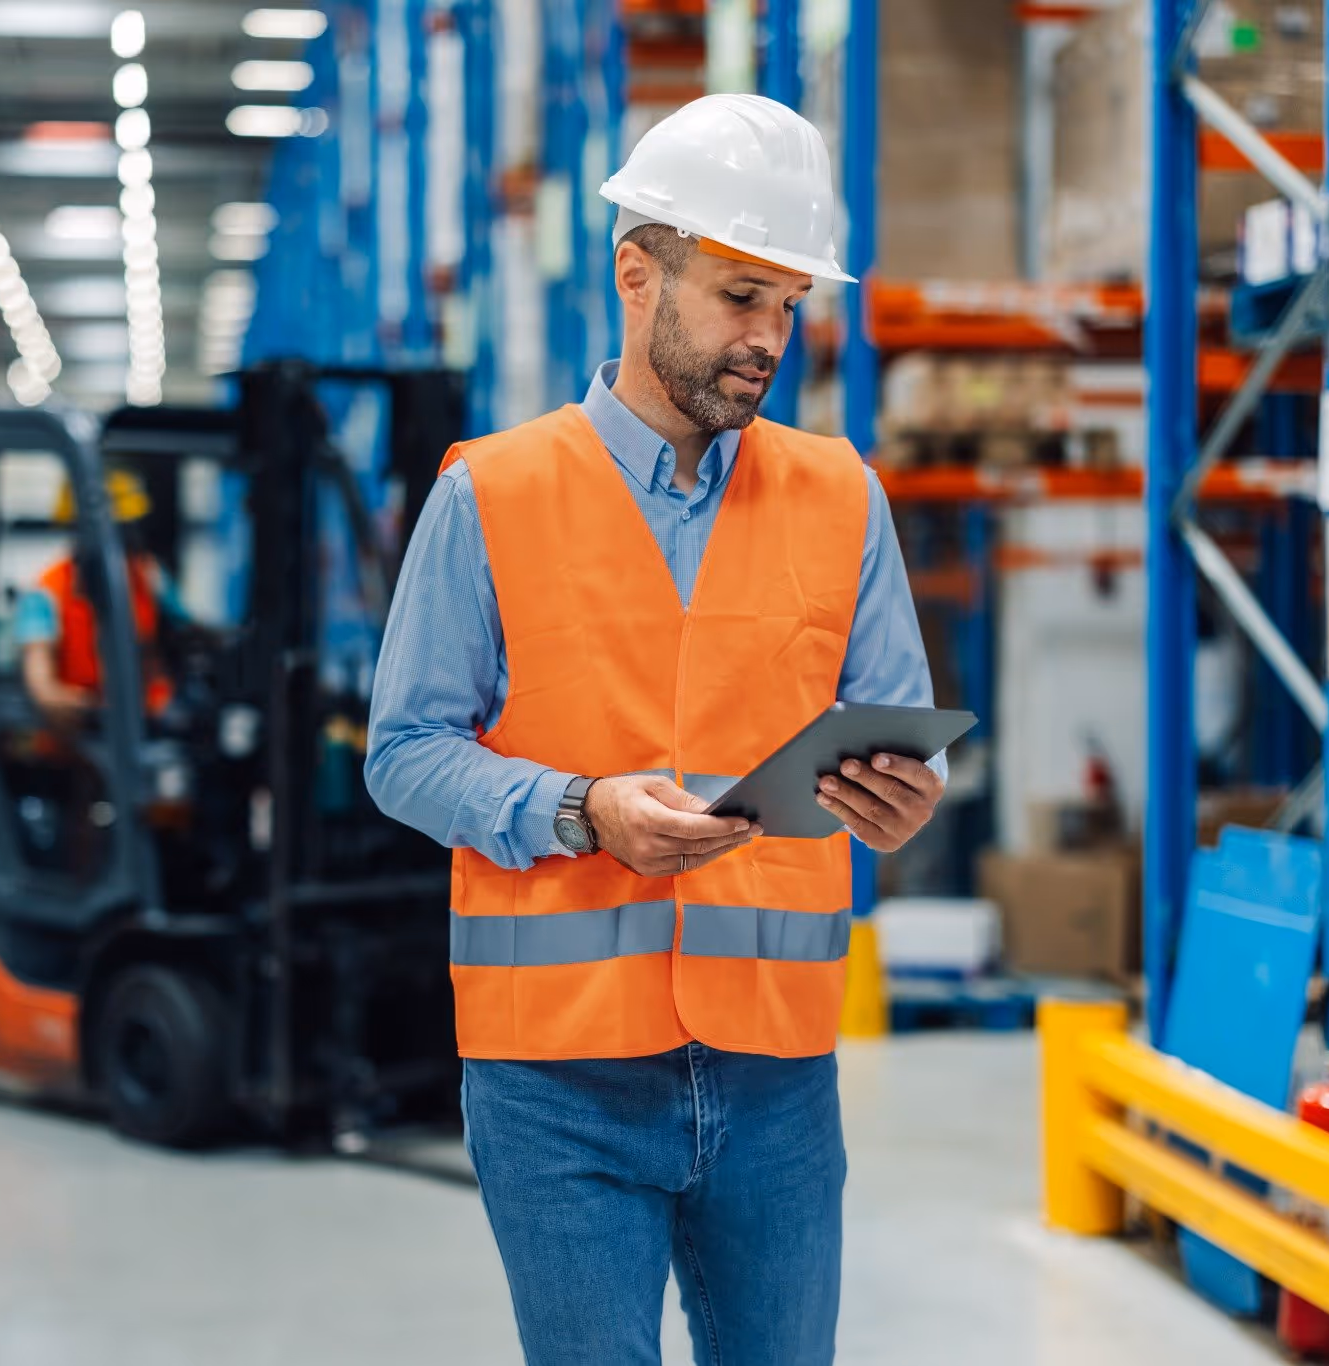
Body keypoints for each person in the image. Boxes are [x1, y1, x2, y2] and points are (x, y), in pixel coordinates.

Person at [365, 93, 947, 1365]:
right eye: (740, 297)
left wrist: (912, 791)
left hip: (777, 1073)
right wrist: (579, 809)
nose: (767, 340)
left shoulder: (841, 496)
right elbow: (403, 753)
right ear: (641, 274)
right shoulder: (492, 493)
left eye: (788, 308)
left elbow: (904, 734)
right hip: (556, 1079)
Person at [15, 467, 189, 728]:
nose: (123, 542)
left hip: (149, 719)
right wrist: (64, 702)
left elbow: (187, 631)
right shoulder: (47, 591)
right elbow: (40, 678)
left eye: (126, 530)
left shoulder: (149, 575)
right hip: (82, 728)